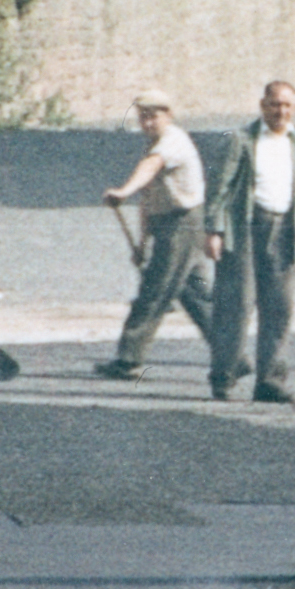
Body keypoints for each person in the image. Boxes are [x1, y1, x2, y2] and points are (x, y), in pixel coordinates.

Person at [206, 81, 295, 403]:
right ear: (263, 105)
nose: (282, 111)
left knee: (279, 309)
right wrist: (214, 230)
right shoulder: (242, 140)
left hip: (284, 233)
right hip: (247, 230)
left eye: (288, 106)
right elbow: (219, 190)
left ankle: (269, 381)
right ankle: (223, 376)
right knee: (237, 305)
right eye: (275, 104)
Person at [95, 91, 212, 380]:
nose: (147, 122)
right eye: (143, 116)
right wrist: (143, 242)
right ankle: (232, 355)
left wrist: (123, 191)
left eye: (153, 116)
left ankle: (129, 359)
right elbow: (149, 200)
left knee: (154, 292)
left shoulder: (173, 141)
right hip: (169, 226)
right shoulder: (155, 145)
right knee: (196, 295)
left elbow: (151, 168)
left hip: (182, 225)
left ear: (168, 115)